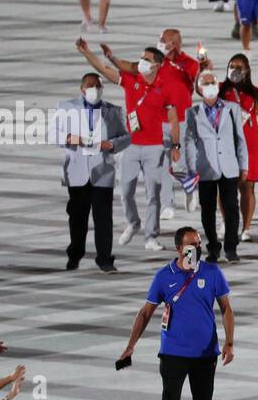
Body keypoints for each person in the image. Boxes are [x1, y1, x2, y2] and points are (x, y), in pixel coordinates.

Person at [118, 227, 235, 400]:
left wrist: (229, 342)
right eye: (192, 244)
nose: (197, 248)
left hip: (205, 353)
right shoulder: (163, 276)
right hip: (173, 352)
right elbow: (145, 312)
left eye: (199, 243)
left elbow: (226, 309)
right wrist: (130, 346)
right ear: (179, 249)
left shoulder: (212, 273)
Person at [75, 39, 181, 252]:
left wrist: (176, 146)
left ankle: (151, 237)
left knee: (153, 194)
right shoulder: (131, 81)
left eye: (147, 59)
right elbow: (103, 70)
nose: (141, 61)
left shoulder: (165, 89)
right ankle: (133, 223)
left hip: (154, 147)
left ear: (157, 65)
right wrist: (87, 52)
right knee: (125, 192)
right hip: (131, 146)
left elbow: (174, 119)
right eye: (141, 57)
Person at [49, 72, 131, 274]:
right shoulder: (66, 108)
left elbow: (126, 137)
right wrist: (69, 138)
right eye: (90, 85)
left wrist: (111, 144)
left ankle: (105, 259)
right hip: (77, 171)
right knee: (77, 217)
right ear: (82, 89)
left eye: (98, 86)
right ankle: (75, 254)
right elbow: (52, 134)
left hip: (102, 171)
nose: (95, 89)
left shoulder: (113, 111)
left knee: (103, 218)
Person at [183, 69, 246, 263]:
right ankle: (213, 248)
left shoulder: (232, 108)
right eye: (205, 83)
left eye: (213, 82)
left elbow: (240, 139)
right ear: (200, 88)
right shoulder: (192, 112)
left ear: (218, 85)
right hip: (205, 168)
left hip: (229, 166)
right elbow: (189, 142)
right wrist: (191, 169)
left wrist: (244, 165)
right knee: (208, 210)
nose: (210, 86)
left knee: (231, 208)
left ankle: (231, 247)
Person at [219, 52, 258, 240]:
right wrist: (202, 68)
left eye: (239, 67)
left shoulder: (256, 94)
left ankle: (246, 228)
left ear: (247, 70)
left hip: (249, 146)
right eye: (231, 66)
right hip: (226, 146)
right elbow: (200, 89)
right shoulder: (220, 90)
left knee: (247, 187)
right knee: (225, 187)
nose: (234, 70)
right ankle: (226, 221)